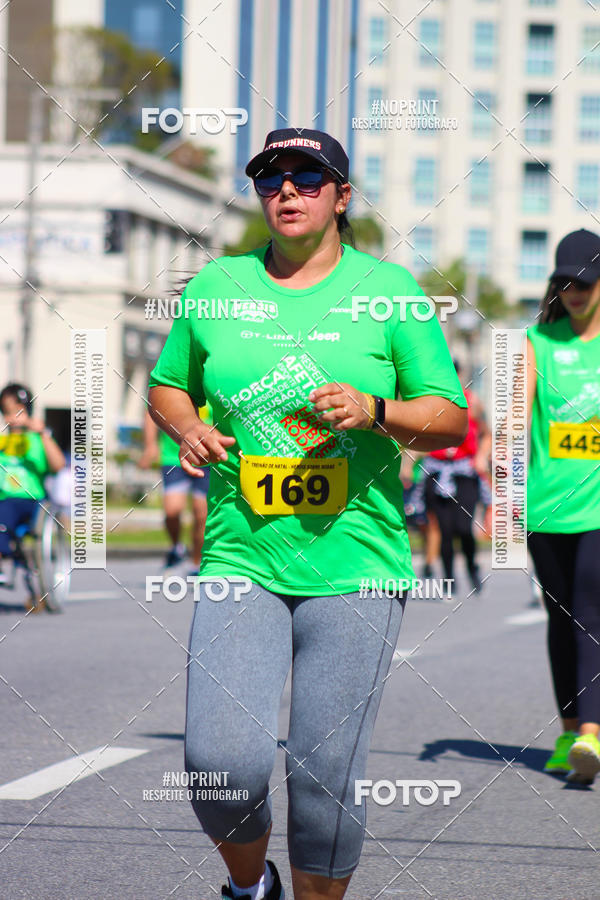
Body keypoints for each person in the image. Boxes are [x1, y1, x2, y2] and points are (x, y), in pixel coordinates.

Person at [148, 127, 468, 900]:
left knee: (324, 775)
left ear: (342, 197)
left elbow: (450, 417)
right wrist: (187, 427)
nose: (287, 190)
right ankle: (250, 886)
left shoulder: (390, 291)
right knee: (221, 763)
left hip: (356, 563)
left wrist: (376, 408)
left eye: (307, 177)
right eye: (271, 177)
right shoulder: (217, 284)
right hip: (242, 556)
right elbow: (168, 384)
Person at [527, 229, 600, 784]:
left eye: (585, 283)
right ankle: (570, 731)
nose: (574, 292)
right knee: (561, 618)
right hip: (545, 507)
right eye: (566, 283)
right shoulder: (535, 342)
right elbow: (514, 420)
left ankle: (591, 736)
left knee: (590, 613)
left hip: (598, 509)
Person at [421, 361, 491, 594]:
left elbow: (487, 434)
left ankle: (472, 566)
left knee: (463, 527)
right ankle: (448, 580)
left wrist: (481, 456)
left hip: (464, 473)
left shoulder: (472, 401)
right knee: (445, 530)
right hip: (437, 472)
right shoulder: (430, 401)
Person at [0, 383, 65, 611]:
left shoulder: (38, 440)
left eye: (18, 411)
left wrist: (42, 434)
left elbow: (58, 465)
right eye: (7, 412)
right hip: (4, 500)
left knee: (4, 514)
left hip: (30, 501)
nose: (13, 417)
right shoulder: (3, 442)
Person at [139, 403, 212, 572]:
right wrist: (150, 446)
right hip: (173, 458)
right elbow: (152, 411)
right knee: (172, 511)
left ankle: (196, 562)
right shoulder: (176, 387)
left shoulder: (213, 388)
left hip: (207, 460)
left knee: (201, 514)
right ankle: (177, 548)